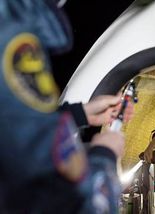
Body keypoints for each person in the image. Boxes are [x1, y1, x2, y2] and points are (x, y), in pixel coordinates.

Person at [0, 0, 133, 213]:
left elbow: (13, 128)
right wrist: (105, 156)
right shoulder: (11, 30)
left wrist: (79, 114)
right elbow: (73, 201)